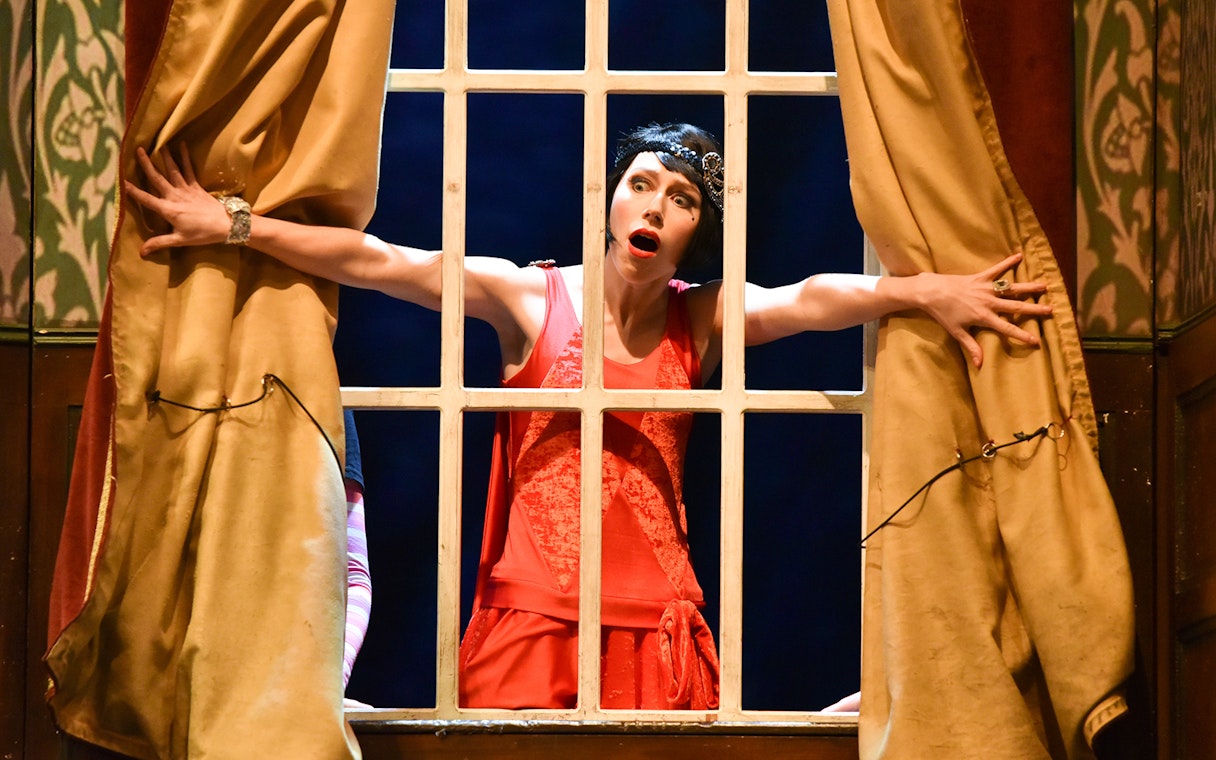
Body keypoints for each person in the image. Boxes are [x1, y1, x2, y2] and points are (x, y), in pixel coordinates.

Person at [125, 122, 1051, 711]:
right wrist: (233, 226)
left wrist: (930, 291)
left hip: (662, 632)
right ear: (611, 197)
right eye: (643, 183)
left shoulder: (702, 319)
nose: (656, 205)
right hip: (529, 620)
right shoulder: (531, 301)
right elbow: (377, 260)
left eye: (682, 199)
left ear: (697, 231)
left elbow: (815, 295)